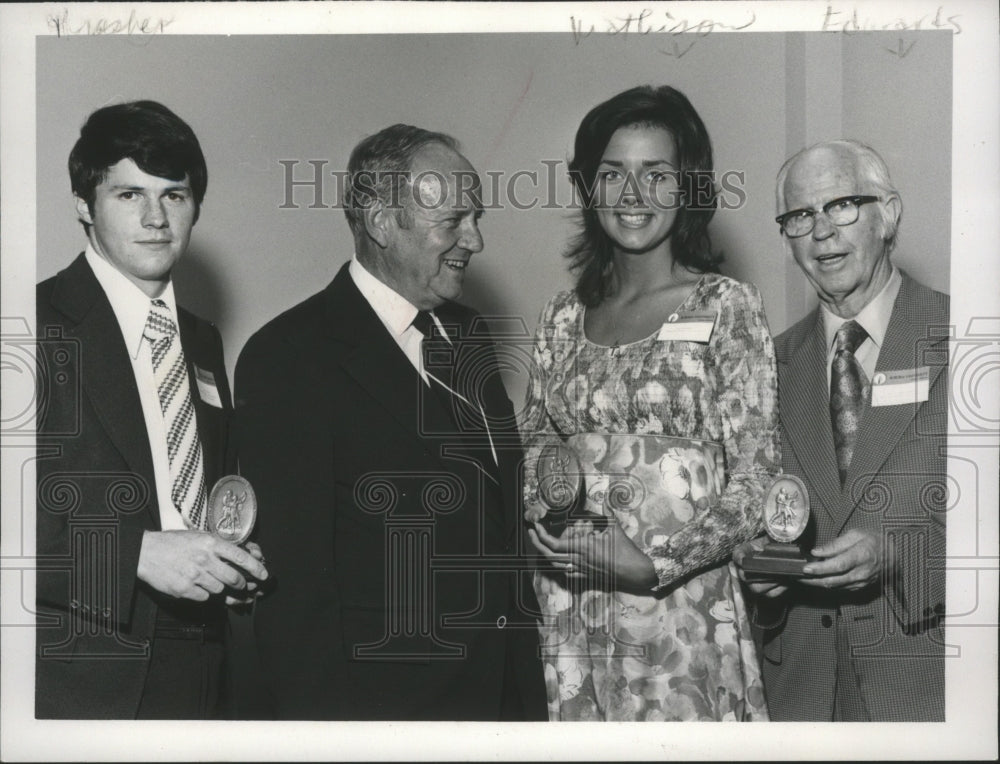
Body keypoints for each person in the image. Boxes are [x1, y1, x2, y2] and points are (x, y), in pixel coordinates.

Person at [234, 124, 547, 720]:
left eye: (476, 217)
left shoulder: (470, 335)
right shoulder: (288, 356)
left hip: (502, 705)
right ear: (381, 222)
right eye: (452, 221)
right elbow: (297, 600)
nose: (474, 240)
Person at [522, 85, 779, 721]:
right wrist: (546, 525)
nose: (632, 195)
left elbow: (757, 477)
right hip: (573, 604)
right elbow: (532, 449)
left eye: (655, 175)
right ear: (588, 187)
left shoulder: (726, 306)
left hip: (682, 606)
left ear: (687, 188)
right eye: (612, 173)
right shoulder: (559, 316)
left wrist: (656, 564)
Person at [35, 100, 268, 719]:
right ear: (84, 204)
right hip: (79, 674)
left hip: (202, 664)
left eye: (175, 195)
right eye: (128, 195)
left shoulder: (202, 341)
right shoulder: (30, 326)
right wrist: (135, 553)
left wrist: (233, 558)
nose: (155, 217)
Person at [733, 140, 949, 722]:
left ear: (890, 214)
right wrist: (759, 581)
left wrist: (900, 555)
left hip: (929, 694)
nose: (822, 231)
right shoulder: (760, 368)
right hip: (800, 702)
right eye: (801, 215)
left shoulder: (971, 341)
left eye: (844, 205)